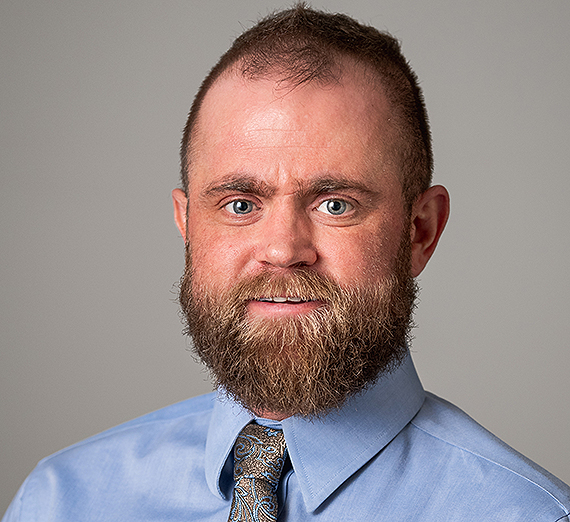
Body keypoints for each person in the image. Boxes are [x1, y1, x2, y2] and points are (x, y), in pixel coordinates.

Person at [3, 5, 570, 521]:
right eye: (240, 204)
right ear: (188, 224)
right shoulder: (61, 501)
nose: (282, 249)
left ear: (420, 230)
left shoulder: (527, 515)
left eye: (335, 204)